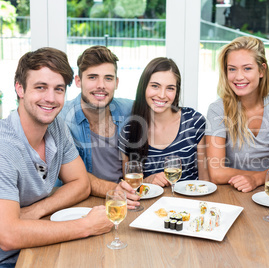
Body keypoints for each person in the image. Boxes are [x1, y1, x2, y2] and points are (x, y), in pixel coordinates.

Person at [0, 47, 113, 267]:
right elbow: (8, 236)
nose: (50, 99)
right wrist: (86, 226)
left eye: (58, 89)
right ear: (20, 89)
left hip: (40, 246)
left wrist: (36, 210)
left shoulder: (56, 127)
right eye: (40, 87)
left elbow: (81, 184)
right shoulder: (4, 146)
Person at [205, 36, 269, 192]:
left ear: (261, 70)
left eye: (247, 68)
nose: (239, 77)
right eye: (232, 69)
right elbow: (217, 173)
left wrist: (257, 179)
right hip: (235, 190)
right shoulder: (217, 109)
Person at [59, 46, 140, 209]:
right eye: (92, 77)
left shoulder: (130, 110)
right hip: (77, 204)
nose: (101, 85)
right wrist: (113, 189)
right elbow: (72, 175)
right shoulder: (61, 119)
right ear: (78, 81)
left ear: (116, 83)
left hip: (124, 201)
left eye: (108, 78)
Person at [118, 57, 208, 187]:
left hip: (189, 203)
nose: (161, 95)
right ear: (144, 87)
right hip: (149, 206)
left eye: (170, 88)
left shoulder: (194, 122)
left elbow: (205, 181)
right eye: (155, 86)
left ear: (176, 92)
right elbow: (129, 186)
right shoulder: (129, 131)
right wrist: (148, 181)